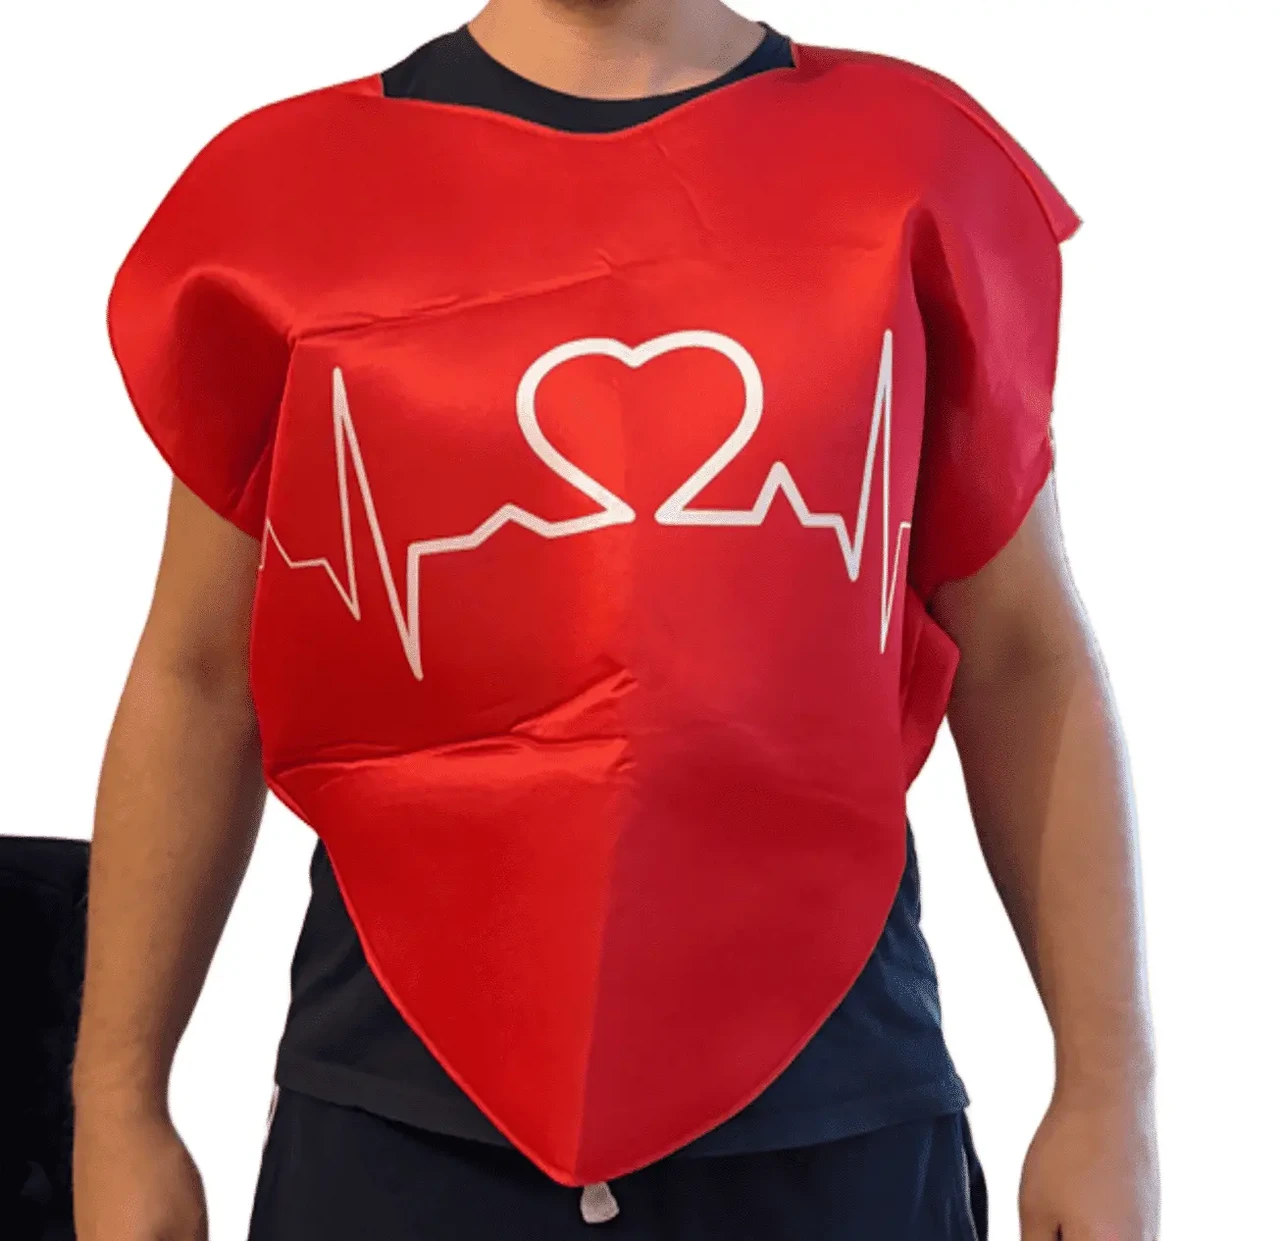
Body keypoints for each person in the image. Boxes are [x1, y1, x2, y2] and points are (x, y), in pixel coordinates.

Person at [71, 2, 1160, 1238]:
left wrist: (1106, 1091)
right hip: (400, 1110)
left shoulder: (915, 168)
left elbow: (1020, 657)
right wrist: (119, 1101)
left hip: (828, 1106)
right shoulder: (284, 200)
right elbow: (199, 677)